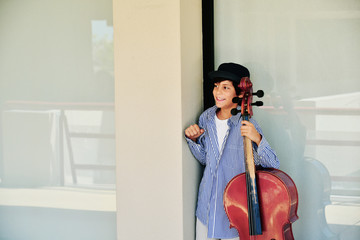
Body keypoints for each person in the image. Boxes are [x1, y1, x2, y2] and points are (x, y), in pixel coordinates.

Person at [184, 63, 280, 240]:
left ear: (240, 93)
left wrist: (257, 138)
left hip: (235, 209)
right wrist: (194, 140)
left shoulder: (246, 125)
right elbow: (207, 159)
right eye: (216, 86)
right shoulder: (206, 118)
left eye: (225, 87)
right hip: (207, 204)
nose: (218, 92)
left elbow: (273, 163)